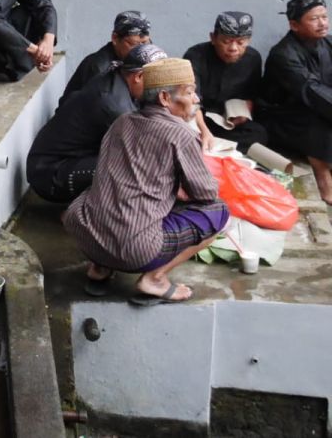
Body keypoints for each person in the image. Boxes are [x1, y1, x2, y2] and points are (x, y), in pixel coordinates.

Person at [62, 58, 229, 305]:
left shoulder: (122, 121)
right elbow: (205, 193)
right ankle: (154, 279)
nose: (196, 99)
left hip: (85, 233)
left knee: (100, 193)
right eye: (190, 92)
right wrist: (183, 189)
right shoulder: (181, 134)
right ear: (164, 98)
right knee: (218, 212)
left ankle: (99, 268)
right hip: (135, 250)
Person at [27, 44, 167, 203]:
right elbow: (145, 150)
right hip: (49, 174)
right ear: (139, 77)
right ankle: (84, 216)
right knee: (134, 166)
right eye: (157, 80)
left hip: (71, 161)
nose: (159, 87)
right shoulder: (113, 104)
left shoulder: (119, 78)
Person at [260, 0, 332, 204]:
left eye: (324, 17)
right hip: (280, 116)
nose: (322, 23)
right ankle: (325, 184)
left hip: (314, 107)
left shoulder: (327, 43)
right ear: (294, 25)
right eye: (314, 19)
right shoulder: (284, 54)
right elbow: (311, 90)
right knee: (318, 119)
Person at [183, 11, 268, 152]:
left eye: (241, 42)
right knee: (186, 132)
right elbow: (191, 100)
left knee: (259, 134)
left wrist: (245, 111)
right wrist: (204, 131)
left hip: (228, 121)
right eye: (226, 41)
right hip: (199, 117)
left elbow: (252, 95)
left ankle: (214, 146)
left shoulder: (253, 58)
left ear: (249, 40)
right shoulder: (196, 55)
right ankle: (208, 143)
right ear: (213, 38)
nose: (233, 48)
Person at [59, 10, 152, 103]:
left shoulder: (144, 56)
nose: (142, 50)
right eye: (135, 44)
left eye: (145, 43)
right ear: (115, 38)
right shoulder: (99, 69)